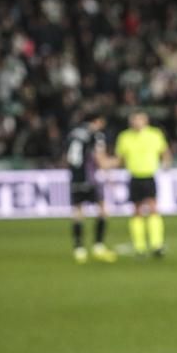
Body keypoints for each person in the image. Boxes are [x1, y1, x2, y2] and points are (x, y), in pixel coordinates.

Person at [114, 111, 171, 258]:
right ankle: (139, 247)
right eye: (135, 119)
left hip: (149, 175)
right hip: (134, 176)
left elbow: (164, 151)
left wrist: (166, 163)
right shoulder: (124, 137)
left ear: (146, 121)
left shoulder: (155, 134)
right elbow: (120, 158)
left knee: (153, 207)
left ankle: (156, 244)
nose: (137, 122)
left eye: (140, 119)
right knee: (137, 210)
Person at [65, 112, 119, 263]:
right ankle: (98, 246)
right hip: (90, 179)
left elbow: (68, 156)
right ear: (98, 121)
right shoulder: (96, 135)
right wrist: (117, 163)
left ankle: (79, 249)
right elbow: (100, 159)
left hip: (75, 177)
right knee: (102, 210)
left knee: (78, 213)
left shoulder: (73, 133)